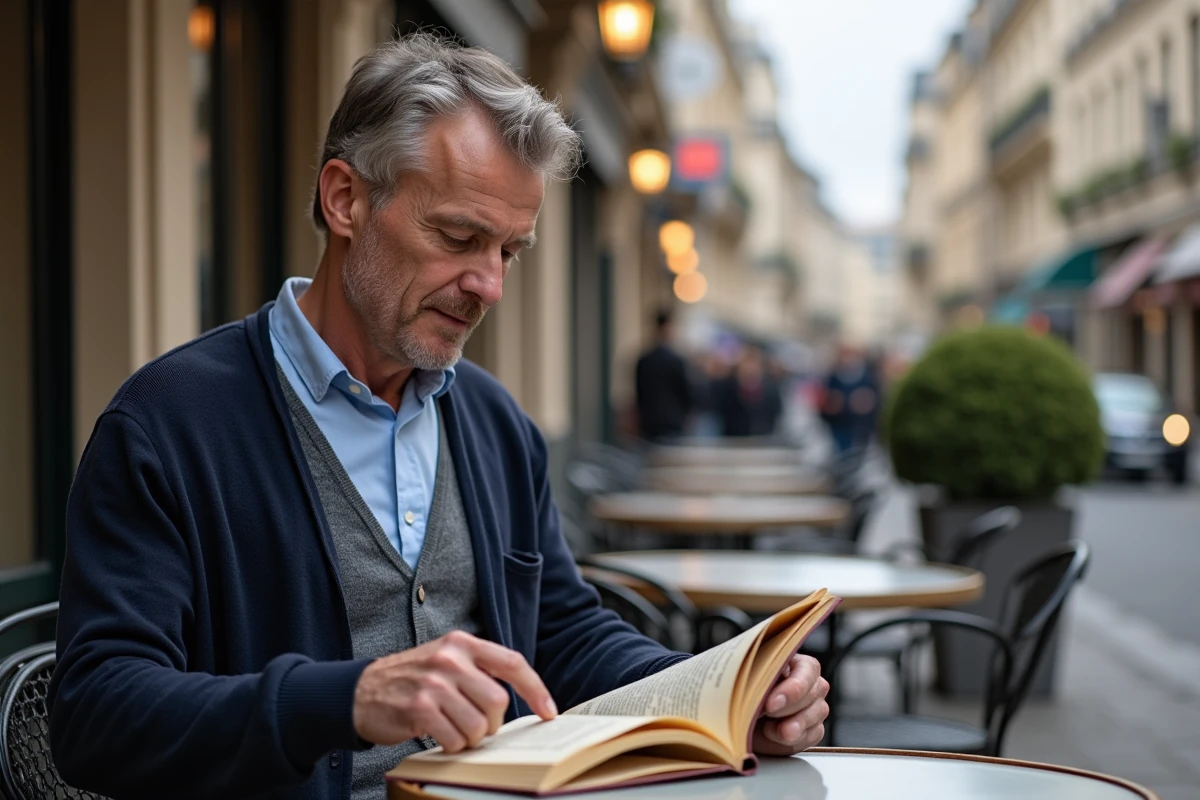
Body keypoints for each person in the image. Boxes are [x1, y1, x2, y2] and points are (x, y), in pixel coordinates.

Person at [48, 35, 828, 800]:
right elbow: (96, 715)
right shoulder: (169, 423)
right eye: (459, 237)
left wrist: (725, 697)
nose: (487, 285)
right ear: (344, 199)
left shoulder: (493, 423)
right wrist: (347, 698)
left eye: (509, 252)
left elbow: (560, 633)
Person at [633, 309, 694, 442]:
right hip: (672, 421)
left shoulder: (644, 360)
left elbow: (639, 394)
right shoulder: (676, 360)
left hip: (649, 421)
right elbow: (685, 391)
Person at [819, 342, 879, 453]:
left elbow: (872, 399)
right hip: (839, 421)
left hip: (860, 424)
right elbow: (826, 399)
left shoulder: (867, 377)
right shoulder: (833, 377)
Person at [713, 345, 784, 438]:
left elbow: (776, 413)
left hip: (762, 439)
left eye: (754, 363)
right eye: (747, 363)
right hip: (733, 440)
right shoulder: (727, 387)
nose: (750, 367)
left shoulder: (771, 390)